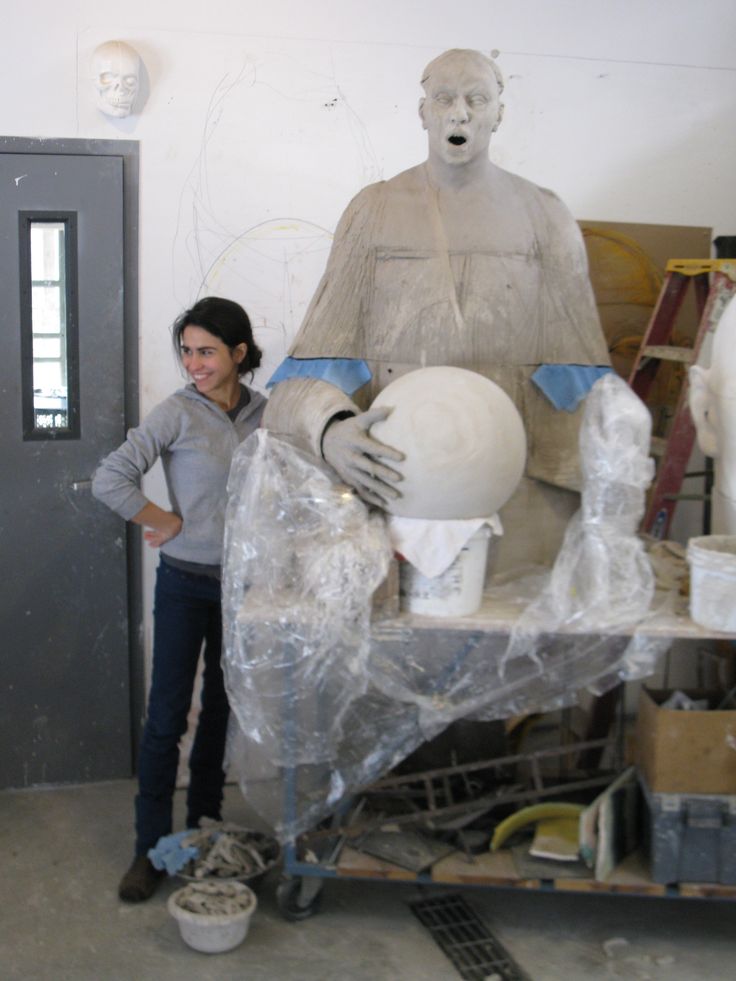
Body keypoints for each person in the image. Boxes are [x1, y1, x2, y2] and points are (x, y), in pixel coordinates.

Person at [263, 49, 611, 562]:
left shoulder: (545, 217)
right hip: (394, 482)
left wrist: (616, 456)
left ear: (499, 114)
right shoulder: (373, 211)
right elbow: (311, 371)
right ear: (422, 112)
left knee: (501, 623)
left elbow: (579, 382)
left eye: (477, 99)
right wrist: (329, 429)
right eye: (444, 98)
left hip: (513, 499)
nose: (459, 114)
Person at [92, 296, 266, 902]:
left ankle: (203, 828)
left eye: (207, 352)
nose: (194, 363)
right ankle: (147, 849)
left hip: (242, 587)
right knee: (167, 717)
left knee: (220, 710)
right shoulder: (175, 414)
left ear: (238, 354)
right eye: (187, 351)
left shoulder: (266, 415)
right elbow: (109, 477)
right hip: (186, 584)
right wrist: (161, 517)